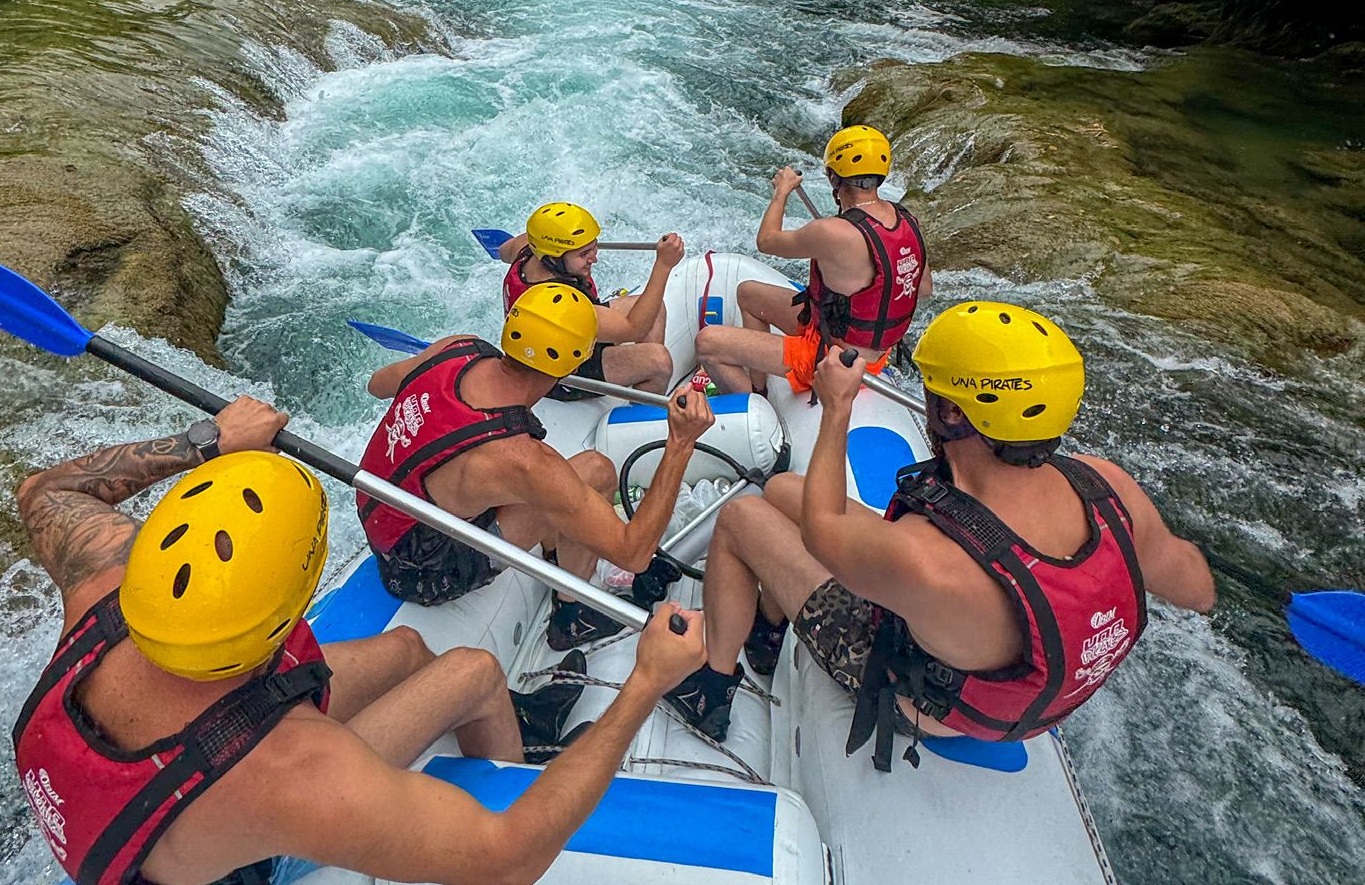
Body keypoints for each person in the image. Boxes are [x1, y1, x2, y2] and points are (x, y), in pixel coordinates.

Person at [12, 392, 706, 885]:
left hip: (179, 742)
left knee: (407, 649)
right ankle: (513, 758)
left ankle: (512, 722)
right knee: (473, 670)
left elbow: (42, 490)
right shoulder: (296, 774)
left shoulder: (106, 579)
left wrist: (209, 439)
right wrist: (646, 683)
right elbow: (511, 856)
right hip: (211, 871)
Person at [667, 300, 1213, 752]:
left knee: (742, 516)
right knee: (785, 489)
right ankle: (767, 619)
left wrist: (837, 409)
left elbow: (823, 531)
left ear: (952, 414)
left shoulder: (926, 558)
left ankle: (711, 688)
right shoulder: (1105, 483)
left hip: (929, 701)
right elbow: (1197, 590)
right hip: (1021, 679)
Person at [359, 280, 715, 650]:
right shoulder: (524, 462)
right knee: (585, 484)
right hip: (420, 567)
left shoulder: (457, 348)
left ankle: (556, 548)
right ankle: (570, 616)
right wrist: (680, 443)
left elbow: (377, 385)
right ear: (577, 360)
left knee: (597, 469)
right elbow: (635, 553)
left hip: (386, 509)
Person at [696, 127, 931, 396]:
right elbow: (923, 289)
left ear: (833, 177)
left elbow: (767, 241)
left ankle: (753, 406)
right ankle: (757, 387)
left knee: (707, 343)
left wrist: (782, 191)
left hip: (833, 361)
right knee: (748, 293)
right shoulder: (908, 221)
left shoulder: (830, 231)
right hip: (866, 346)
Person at [498, 201, 681, 394]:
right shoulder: (561, 303)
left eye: (593, 247)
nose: (594, 258)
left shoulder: (527, 247)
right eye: (584, 254)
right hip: (558, 373)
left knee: (655, 308)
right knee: (659, 361)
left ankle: (638, 375)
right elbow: (633, 329)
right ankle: (642, 405)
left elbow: (503, 250)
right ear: (553, 258)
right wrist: (663, 265)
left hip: (568, 338)